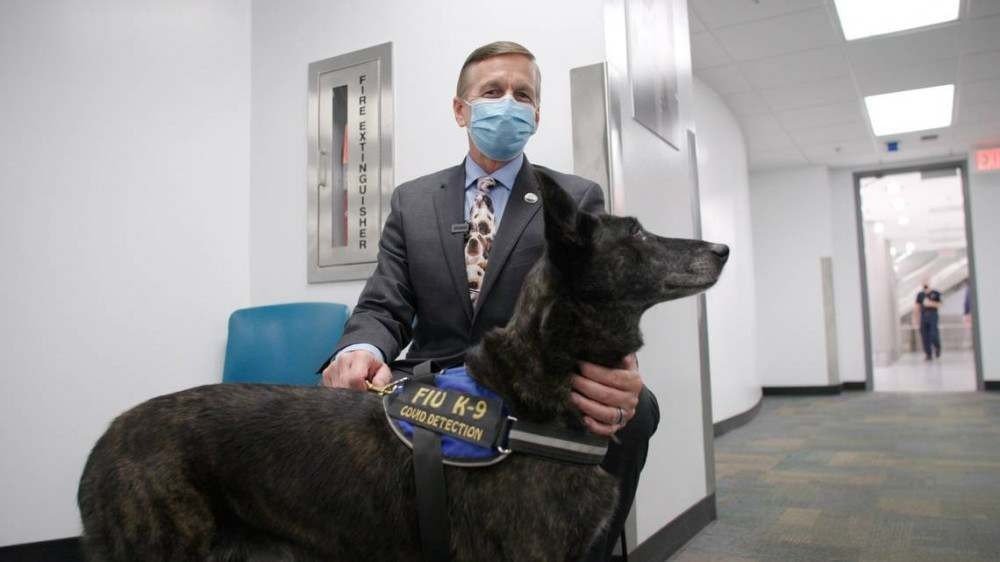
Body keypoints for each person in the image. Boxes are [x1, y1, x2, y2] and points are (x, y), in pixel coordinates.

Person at [319, 41, 658, 561]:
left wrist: (620, 368)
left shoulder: (572, 198)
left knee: (639, 411)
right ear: (461, 109)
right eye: (492, 91)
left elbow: (595, 305)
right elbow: (385, 304)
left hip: (528, 386)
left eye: (522, 95)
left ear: (537, 115)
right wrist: (359, 351)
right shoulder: (413, 201)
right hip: (428, 382)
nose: (508, 103)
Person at [914, 280, 942, 360]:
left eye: (926, 281)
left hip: (933, 315)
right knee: (924, 336)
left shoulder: (935, 293)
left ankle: (937, 347)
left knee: (933, 334)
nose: (925, 283)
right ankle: (928, 354)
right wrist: (916, 319)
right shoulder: (920, 295)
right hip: (923, 316)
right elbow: (917, 307)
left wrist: (930, 303)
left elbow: (940, 304)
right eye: (923, 281)